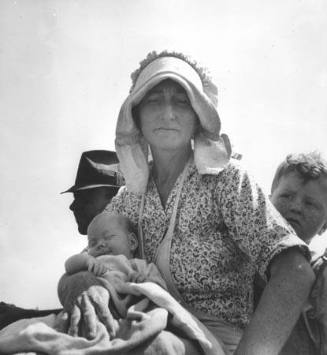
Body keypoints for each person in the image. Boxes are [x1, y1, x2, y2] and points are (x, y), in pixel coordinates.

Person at [58, 51, 315, 355]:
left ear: (198, 116)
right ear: (136, 116)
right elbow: (82, 265)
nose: (168, 113)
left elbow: (295, 272)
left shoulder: (226, 180)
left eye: (181, 101)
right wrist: (84, 286)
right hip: (142, 323)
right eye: (154, 100)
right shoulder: (129, 198)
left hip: (215, 341)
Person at [0, 150, 123, 330]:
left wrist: (22, 316)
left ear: (113, 198)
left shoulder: (128, 245)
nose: (72, 206)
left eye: (84, 198)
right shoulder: (93, 252)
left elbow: (105, 314)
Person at [266, 152, 327, 355]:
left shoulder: (320, 272)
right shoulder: (242, 254)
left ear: (324, 225)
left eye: (310, 204)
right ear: (267, 201)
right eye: (286, 196)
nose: (295, 207)